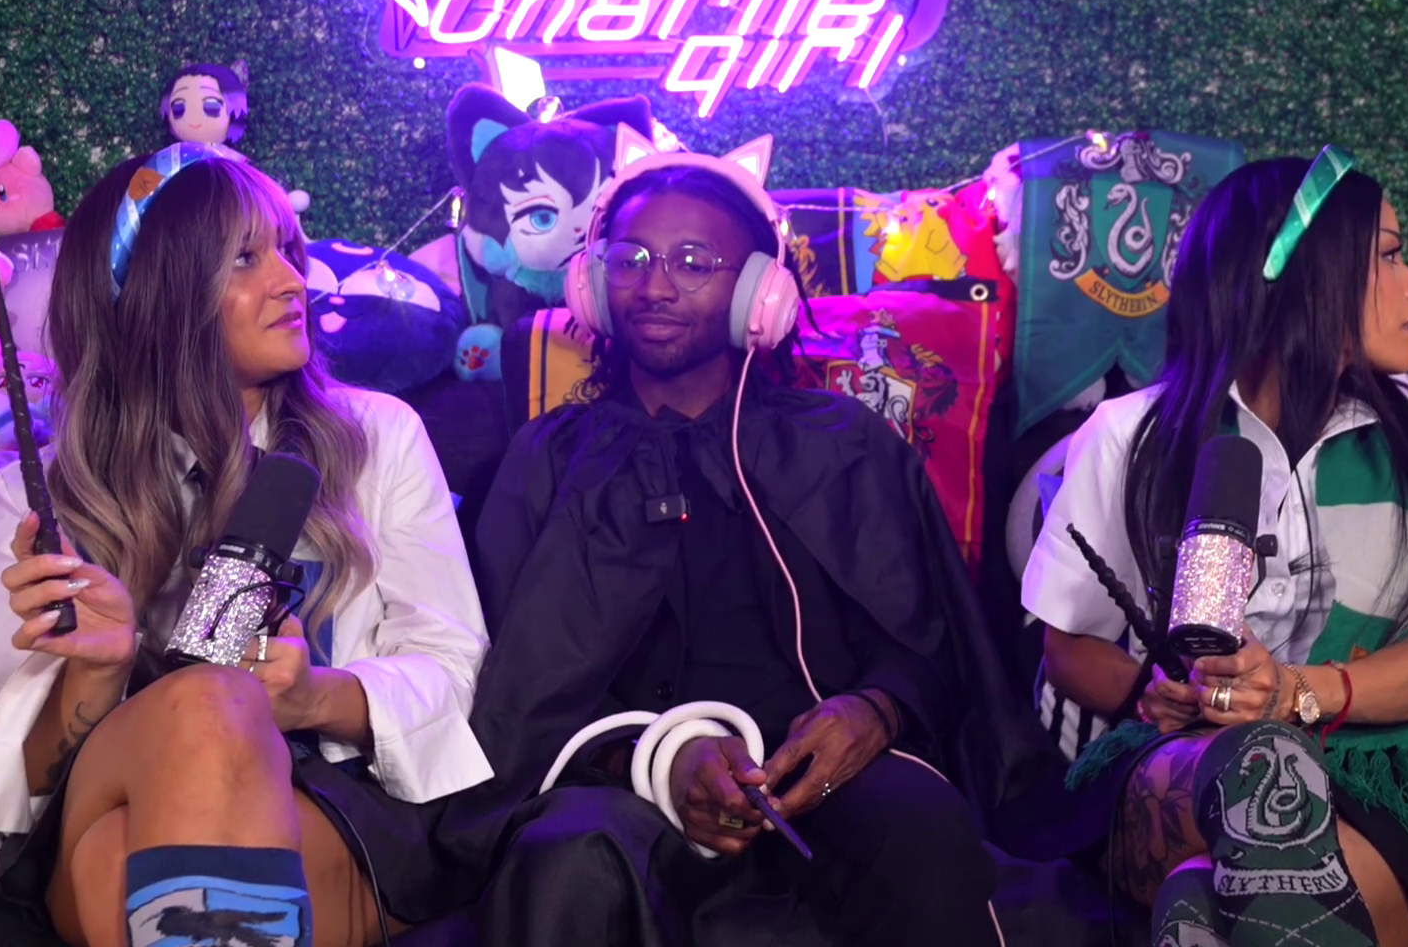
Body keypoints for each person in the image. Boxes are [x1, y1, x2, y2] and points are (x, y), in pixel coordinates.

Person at [431, 141, 1045, 946]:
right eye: (631, 259)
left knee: (918, 827)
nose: (655, 286)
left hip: (824, 777)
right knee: (563, 858)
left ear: (761, 291)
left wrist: (875, 710)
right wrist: (656, 759)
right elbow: (513, 691)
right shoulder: (546, 459)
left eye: (693, 262)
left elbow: (933, 645)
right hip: (614, 785)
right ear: (593, 283)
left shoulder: (845, 446)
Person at [0, 145, 493, 947]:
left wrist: (315, 698)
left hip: (329, 806)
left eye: (288, 251)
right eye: (245, 258)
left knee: (120, 859)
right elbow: (18, 791)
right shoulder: (34, 506)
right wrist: (100, 669)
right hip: (108, 790)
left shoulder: (379, 439)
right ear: (153, 294)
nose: (295, 281)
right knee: (207, 708)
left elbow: (452, 666)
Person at [1022, 149, 1408, 947]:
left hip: (1388, 762)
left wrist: (1292, 692)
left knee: (1232, 888)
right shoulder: (1128, 436)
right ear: (1298, 271)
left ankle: (1202, 907)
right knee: (1255, 769)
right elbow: (1069, 648)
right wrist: (1153, 691)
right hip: (1190, 755)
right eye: (1389, 256)